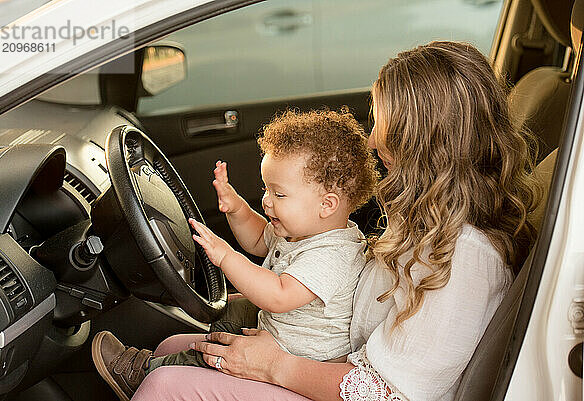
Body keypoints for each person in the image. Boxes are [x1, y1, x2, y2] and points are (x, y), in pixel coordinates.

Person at [129, 41, 541, 401]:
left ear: (421, 141)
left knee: (164, 386)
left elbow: (387, 394)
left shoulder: (463, 260)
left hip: (336, 381)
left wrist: (275, 367)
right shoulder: (429, 223)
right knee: (172, 345)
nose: (373, 137)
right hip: (328, 358)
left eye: (381, 122)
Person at [91, 109, 379, 401]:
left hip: (300, 360)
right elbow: (257, 239)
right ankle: (173, 356)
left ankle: (141, 374)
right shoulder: (303, 232)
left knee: (208, 357)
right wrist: (237, 208)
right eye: (266, 189)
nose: (266, 201)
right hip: (277, 333)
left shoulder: (333, 255)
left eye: (278, 194)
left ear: (327, 205)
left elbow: (279, 296)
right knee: (220, 315)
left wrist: (226, 257)